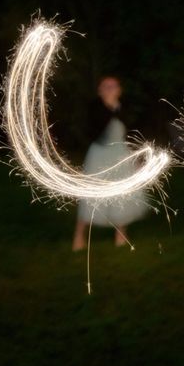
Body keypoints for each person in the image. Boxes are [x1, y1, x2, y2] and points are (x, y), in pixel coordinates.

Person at [72, 76, 147, 251]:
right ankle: (79, 235)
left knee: (122, 194)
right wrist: (109, 107)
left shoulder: (125, 108)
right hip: (99, 154)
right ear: (99, 91)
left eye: (113, 86)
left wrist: (136, 158)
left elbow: (131, 133)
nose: (110, 89)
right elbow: (93, 130)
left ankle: (121, 233)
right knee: (92, 195)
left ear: (119, 89)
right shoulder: (95, 108)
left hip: (120, 154)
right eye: (106, 86)